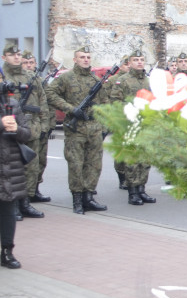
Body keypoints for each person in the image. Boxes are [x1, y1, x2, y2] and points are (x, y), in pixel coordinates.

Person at [46, 46, 110, 215]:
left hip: (94, 127)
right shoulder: (66, 78)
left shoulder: (95, 80)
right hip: (76, 129)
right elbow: (50, 93)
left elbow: (105, 103)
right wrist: (71, 109)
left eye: (88, 57)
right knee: (76, 164)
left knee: (94, 164)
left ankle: (88, 197)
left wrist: (103, 124)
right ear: (75, 60)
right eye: (82, 57)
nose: (86, 59)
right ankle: (77, 199)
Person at [107, 50, 157, 206]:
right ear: (130, 63)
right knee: (132, 161)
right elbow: (115, 102)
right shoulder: (122, 81)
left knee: (145, 160)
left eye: (142, 59)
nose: (140, 62)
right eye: (136, 60)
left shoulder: (149, 81)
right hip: (130, 125)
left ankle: (142, 189)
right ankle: (133, 192)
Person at [2, 45, 46, 219]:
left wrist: (45, 124)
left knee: (31, 168)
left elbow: (42, 101)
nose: (17, 57)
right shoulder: (3, 77)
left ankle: (25, 203)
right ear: (4, 57)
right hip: (8, 130)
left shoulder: (30, 76)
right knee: (11, 170)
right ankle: (12, 205)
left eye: (18, 54)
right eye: (12, 55)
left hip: (30, 127)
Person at [0, 93, 31, 269]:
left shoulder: (12, 103)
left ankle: (7, 251)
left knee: (8, 211)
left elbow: (27, 133)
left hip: (9, 166)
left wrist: (15, 129)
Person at [20, 51, 53, 206]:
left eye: (31, 62)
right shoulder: (16, 80)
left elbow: (44, 105)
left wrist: (46, 127)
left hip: (38, 127)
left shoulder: (39, 80)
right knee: (25, 165)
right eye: (25, 63)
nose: (29, 65)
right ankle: (23, 198)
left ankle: (34, 190)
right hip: (22, 128)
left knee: (40, 162)